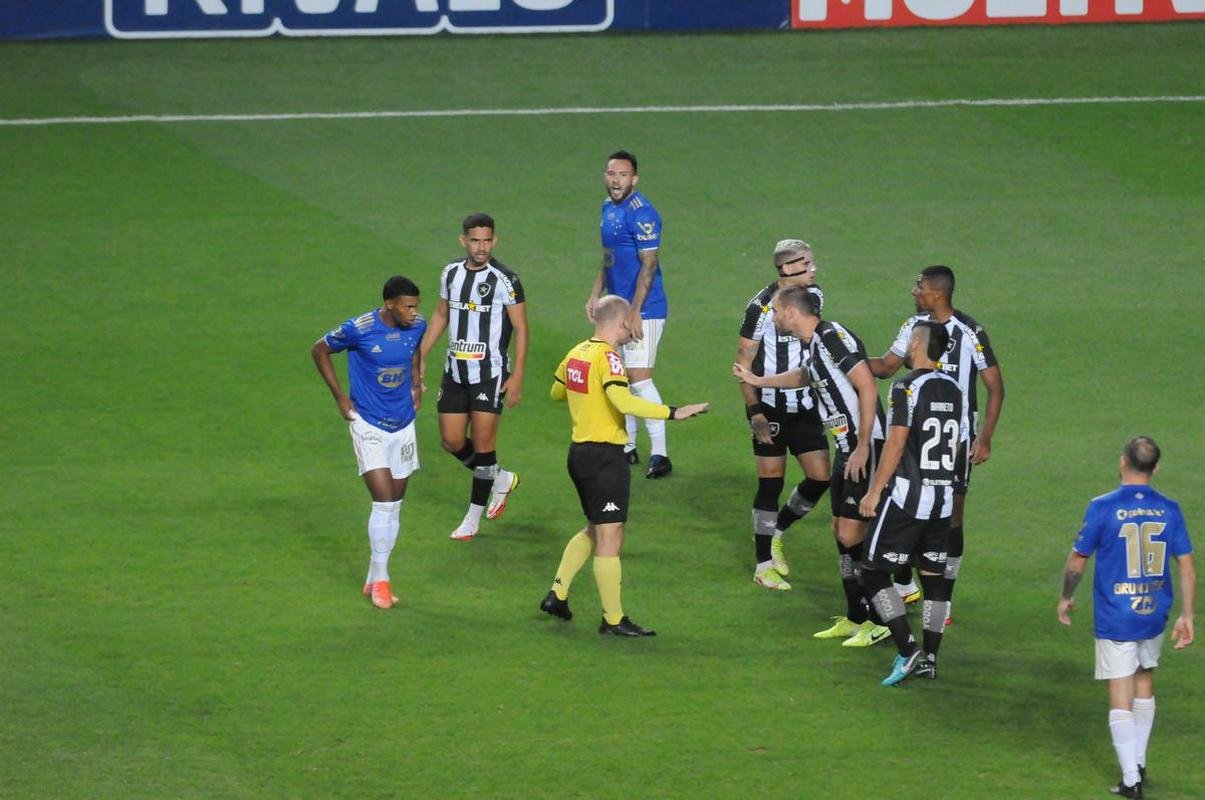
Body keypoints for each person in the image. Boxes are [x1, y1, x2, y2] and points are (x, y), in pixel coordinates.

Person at [540, 295, 708, 636]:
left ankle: (557, 594)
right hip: (604, 458)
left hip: (579, 453)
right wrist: (673, 412)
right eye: (631, 319)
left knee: (594, 527)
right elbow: (621, 399)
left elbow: (556, 392)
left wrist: (587, 402)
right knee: (611, 537)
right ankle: (613, 620)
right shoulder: (608, 358)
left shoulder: (577, 352)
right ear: (620, 322)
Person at [733, 285, 889, 647]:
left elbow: (867, 387)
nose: (772, 318)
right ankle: (855, 618)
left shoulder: (833, 337)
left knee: (854, 535)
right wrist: (758, 381)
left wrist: (864, 445)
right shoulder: (816, 343)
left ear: (791, 312)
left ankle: (881, 618)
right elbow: (805, 376)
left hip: (865, 447)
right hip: (847, 447)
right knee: (840, 530)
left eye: (775, 312)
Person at [1057, 437, 1195, 799]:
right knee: (1144, 681)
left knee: (1120, 693)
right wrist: (1188, 614)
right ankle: (1140, 762)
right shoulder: (1170, 508)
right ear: (1156, 468)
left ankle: (1131, 780)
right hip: (1154, 610)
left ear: (1123, 463)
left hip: (1115, 614)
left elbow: (1077, 560)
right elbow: (1187, 564)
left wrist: (1066, 597)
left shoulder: (1102, 507)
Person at [868, 265, 1004, 621]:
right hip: (910, 433)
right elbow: (886, 366)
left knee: (951, 516)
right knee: (900, 502)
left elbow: (995, 387)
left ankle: (944, 598)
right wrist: (844, 360)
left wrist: (985, 437)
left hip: (953, 439)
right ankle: (905, 583)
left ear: (938, 294)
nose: (914, 291)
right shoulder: (912, 327)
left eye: (920, 287)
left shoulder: (970, 332)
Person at [856, 321, 967, 686]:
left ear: (917, 344)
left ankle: (907, 650)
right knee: (934, 581)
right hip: (943, 499)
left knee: (871, 571)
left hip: (907, 497)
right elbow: (959, 447)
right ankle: (932, 658)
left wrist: (874, 491)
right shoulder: (956, 389)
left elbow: (896, 443)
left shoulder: (905, 387)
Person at [311, 276, 426, 610]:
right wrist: (340, 397)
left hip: (403, 424)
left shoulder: (417, 326)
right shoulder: (359, 328)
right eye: (408, 306)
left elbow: (417, 350)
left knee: (397, 502)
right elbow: (319, 350)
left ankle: (373, 575)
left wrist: (418, 383)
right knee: (384, 500)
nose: (414, 313)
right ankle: (382, 581)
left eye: (416, 306)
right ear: (389, 304)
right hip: (368, 424)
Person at [419, 213, 528, 541]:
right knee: (451, 441)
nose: (481, 247)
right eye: (475, 240)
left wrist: (518, 375)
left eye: (487, 241)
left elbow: (521, 327)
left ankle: (472, 517)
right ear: (463, 241)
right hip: (455, 371)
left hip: (489, 374)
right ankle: (500, 479)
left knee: (483, 446)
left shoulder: (506, 279)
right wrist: (420, 355)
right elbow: (441, 314)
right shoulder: (450, 273)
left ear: (495, 241)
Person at [734, 239, 830, 591]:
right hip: (770, 406)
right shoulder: (759, 309)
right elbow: (742, 364)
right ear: (787, 270)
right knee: (770, 484)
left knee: (820, 478)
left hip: (805, 403)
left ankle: (778, 530)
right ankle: (763, 565)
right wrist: (755, 412)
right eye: (807, 264)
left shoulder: (814, 296)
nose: (814, 270)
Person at [585, 150, 673, 479]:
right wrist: (596, 295)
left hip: (644, 309)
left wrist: (635, 312)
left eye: (623, 175)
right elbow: (609, 259)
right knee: (618, 375)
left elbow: (649, 266)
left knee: (640, 379)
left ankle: (661, 454)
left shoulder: (643, 214)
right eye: (611, 174)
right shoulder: (607, 209)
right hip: (617, 307)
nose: (616, 180)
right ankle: (628, 446)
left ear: (634, 179)